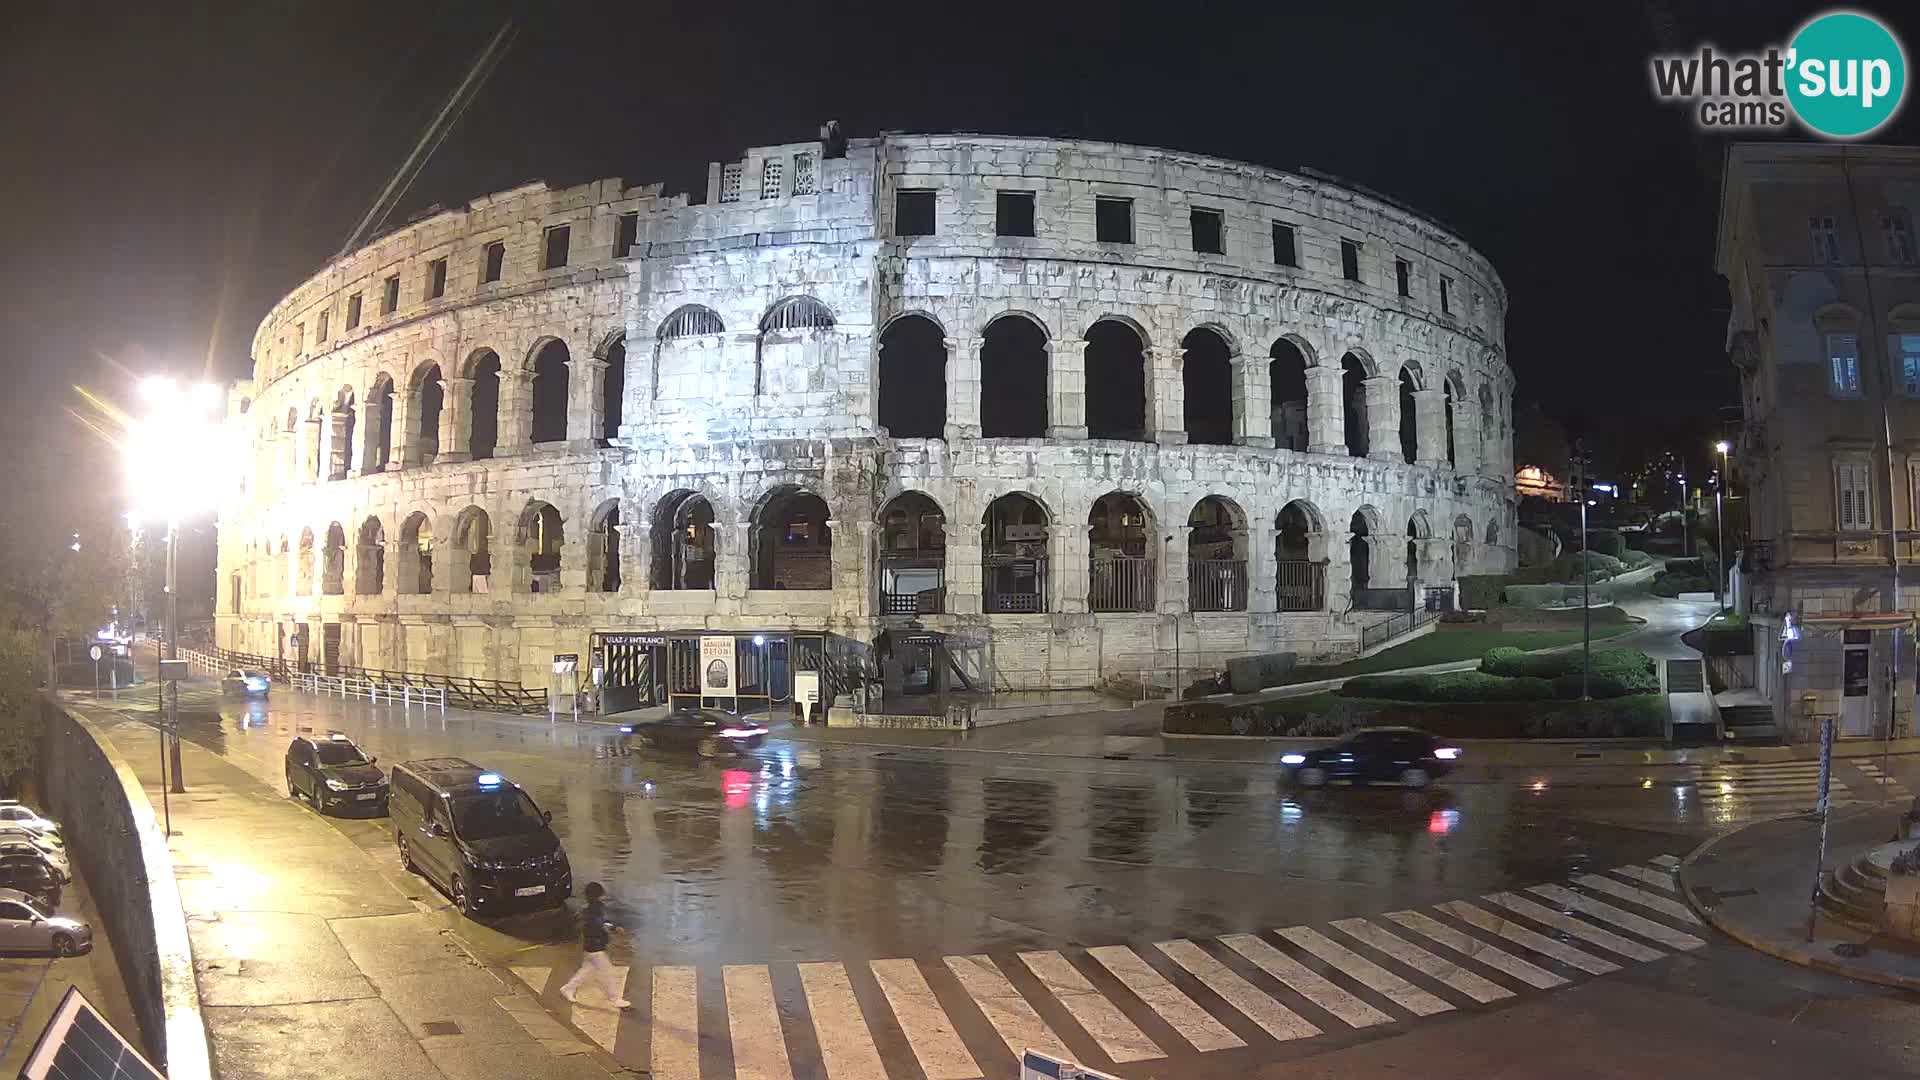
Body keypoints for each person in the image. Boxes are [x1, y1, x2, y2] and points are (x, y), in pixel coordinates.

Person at [559, 882, 630, 1008]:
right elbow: (599, 924)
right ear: (598, 895)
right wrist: (613, 928)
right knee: (608, 972)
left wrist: (611, 926)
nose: (604, 896)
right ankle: (615, 999)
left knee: (585, 971)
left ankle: (568, 988)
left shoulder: (592, 907)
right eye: (602, 894)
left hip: (591, 945)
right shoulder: (592, 910)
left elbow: (602, 921)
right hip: (595, 947)